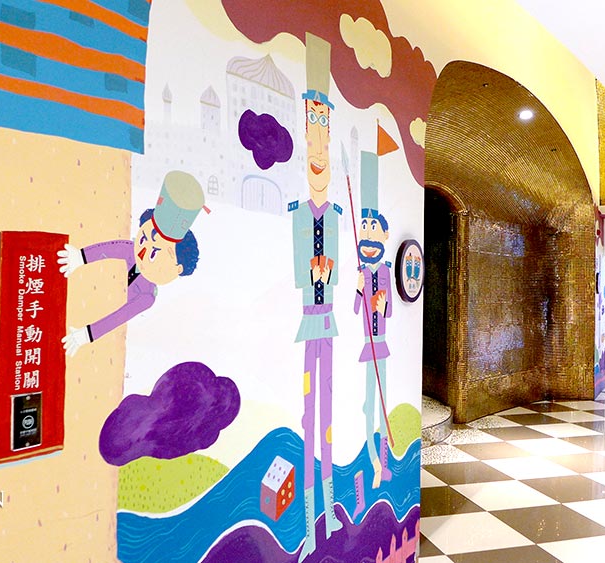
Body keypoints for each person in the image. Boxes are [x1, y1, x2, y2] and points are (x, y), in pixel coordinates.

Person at [290, 33, 342, 559]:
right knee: (309, 417)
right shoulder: (298, 216)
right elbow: (299, 273)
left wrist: (330, 274)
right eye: (313, 143)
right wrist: (313, 275)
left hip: (330, 322)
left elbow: (339, 271)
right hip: (310, 321)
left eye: (325, 143)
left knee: (327, 416)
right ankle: (310, 521)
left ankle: (329, 504)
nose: (319, 154)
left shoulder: (338, 217)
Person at [58, 171, 203, 356]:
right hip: (85, 288)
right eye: (142, 239)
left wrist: (87, 334)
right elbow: (112, 248)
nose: (141, 253)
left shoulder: (146, 295)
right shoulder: (130, 250)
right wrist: (80, 257)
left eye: (154, 253)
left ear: (178, 268)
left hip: (96, 309)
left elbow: (119, 316)